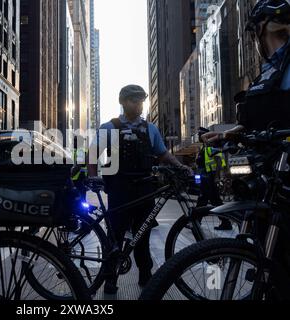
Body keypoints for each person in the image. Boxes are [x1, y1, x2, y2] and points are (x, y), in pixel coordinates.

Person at [87, 85, 192, 294]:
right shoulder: (109, 127)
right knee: (115, 235)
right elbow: (93, 154)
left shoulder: (150, 129)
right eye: (134, 100)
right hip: (119, 189)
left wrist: (180, 166)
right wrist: (92, 176)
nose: (138, 104)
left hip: (145, 189)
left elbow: (163, 154)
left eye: (140, 100)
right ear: (123, 102)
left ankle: (146, 275)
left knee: (142, 235)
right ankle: (110, 277)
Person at [203, 0, 290, 143]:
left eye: (254, 35)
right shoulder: (267, 73)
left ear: (260, 30)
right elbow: (252, 124)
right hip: (266, 160)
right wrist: (223, 135)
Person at [196, 128, 232, 231]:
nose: (199, 136)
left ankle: (197, 221)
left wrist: (216, 177)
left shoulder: (212, 146)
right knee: (211, 201)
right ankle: (225, 222)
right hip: (205, 177)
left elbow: (219, 162)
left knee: (206, 200)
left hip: (210, 178)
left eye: (201, 134)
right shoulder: (205, 147)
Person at [71, 136, 88, 201]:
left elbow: (78, 166)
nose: (73, 143)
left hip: (78, 178)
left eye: (75, 141)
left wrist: (71, 175)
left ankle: (81, 210)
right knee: (81, 197)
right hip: (80, 177)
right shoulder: (79, 150)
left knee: (79, 198)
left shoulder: (80, 151)